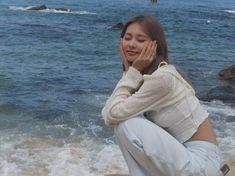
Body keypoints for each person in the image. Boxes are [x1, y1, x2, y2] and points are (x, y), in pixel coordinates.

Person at [101, 15, 222, 176]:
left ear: (155, 45)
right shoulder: (147, 77)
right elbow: (109, 112)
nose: (131, 44)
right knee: (123, 121)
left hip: (202, 164)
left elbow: (111, 115)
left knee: (127, 124)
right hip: (187, 156)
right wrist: (129, 72)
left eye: (140, 39)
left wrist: (131, 72)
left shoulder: (162, 78)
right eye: (127, 38)